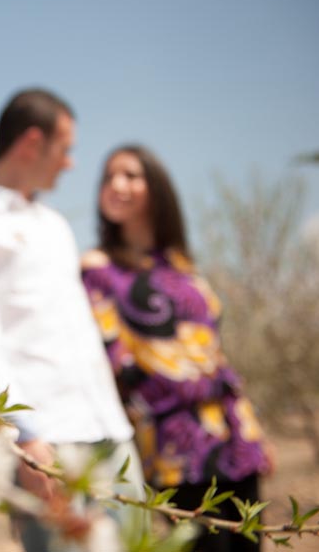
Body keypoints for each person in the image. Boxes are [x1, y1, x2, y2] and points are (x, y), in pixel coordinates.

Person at [0, 89, 145, 551]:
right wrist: (25, 438)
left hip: (112, 434)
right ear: (31, 142)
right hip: (51, 445)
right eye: (64, 149)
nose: (69, 163)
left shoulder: (55, 226)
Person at [81, 144, 273, 552]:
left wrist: (250, 429)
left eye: (130, 175)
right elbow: (113, 359)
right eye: (108, 177)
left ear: (157, 187)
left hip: (232, 432)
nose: (117, 185)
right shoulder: (96, 268)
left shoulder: (181, 264)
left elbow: (214, 355)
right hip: (172, 444)